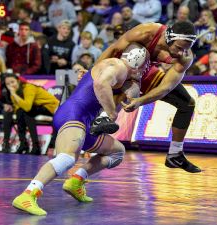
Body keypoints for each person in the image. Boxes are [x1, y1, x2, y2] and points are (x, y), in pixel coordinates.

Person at [12, 43, 149, 215]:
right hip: (73, 115)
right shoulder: (118, 66)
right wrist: (112, 113)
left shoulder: (120, 73)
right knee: (67, 158)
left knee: (117, 152)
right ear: (137, 60)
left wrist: (130, 93)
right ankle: (28, 194)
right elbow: (100, 84)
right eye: (145, 65)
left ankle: (76, 180)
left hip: (85, 122)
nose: (145, 71)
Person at [89, 21, 201, 173]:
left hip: (144, 71)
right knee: (137, 54)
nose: (182, 53)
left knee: (187, 104)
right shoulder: (146, 32)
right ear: (168, 37)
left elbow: (166, 87)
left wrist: (140, 101)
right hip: (119, 66)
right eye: (179, 48)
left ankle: (175, 154)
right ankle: (104, 116)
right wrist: (93, 74)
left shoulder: (185, 57)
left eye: (186, 49)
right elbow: (113, 48)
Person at [5, 74, 60, 155]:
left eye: (12, 82)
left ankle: (35, 145)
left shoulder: (29, 87)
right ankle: (24, 144)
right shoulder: (14, 92)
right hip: (37, 107)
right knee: (21, 112)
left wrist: (14, 95)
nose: (11, 85)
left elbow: (27, 107)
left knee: (26, 112)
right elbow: (17, 107)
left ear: (18, 81)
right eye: (8, 84)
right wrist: (13, 95)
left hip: (51, 107)